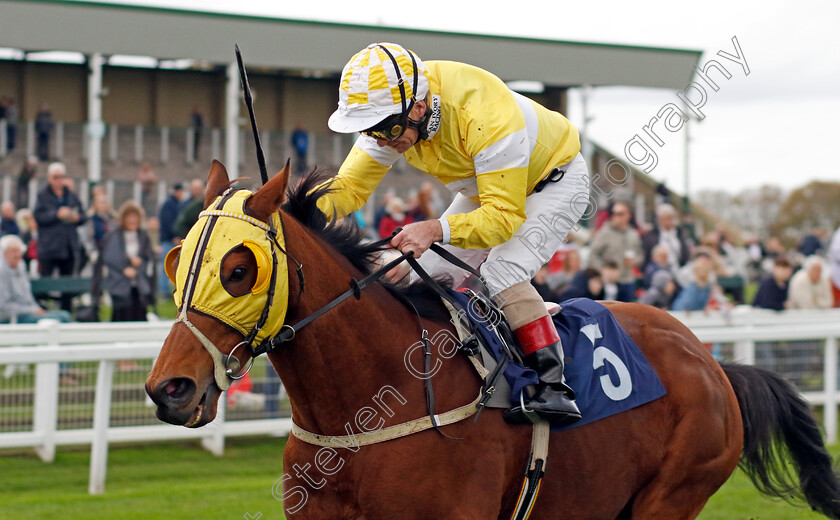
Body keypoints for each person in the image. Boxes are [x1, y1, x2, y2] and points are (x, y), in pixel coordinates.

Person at [320, 42, 588, 425]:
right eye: (370, 131)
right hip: (487, 187)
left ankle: (552, 386)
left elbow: (503, 219)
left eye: (386, 130)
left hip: (554, 183)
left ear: (417, 107)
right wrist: (284, 209)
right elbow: (349, 190)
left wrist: (434, 228)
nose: (380, 140)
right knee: (410, 274)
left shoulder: (482, 112)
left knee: (502, 271)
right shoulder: (391, 112)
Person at [33, 162, 86, 312]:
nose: (59, 180)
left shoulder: (71, 195)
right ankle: (41, 311)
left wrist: (75, 217)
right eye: (55, 177)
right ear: (49, 178)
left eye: (61, 177)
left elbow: (83, 216)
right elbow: (38, 217)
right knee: (44, 282)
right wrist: (57, 214)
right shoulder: (42, 195)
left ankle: (66, 313)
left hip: (68, 247)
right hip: (49, 247)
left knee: (67, 283)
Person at [101, 201, 154, 322]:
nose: (132, 220)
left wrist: (139, 263)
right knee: (121, 314)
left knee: (139, 312)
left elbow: (148, 257)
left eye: (135, 217)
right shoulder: (114, 235)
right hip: (120, 282)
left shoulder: (143, 236)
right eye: (129, 217)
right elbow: (110, 256)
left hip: (139, 283)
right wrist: (125, 267)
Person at [0, 234, 70, 324]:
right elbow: (3, 305)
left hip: (28, 313)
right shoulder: (1, 271)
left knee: (64, 315)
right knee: (60, 319)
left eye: (19, 251)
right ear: (3, 253)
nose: (17, 254)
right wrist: (31, 310)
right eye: (13, 251)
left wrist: (35, 309)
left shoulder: (21, 266)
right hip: (11, 318)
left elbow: (27, 297)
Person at [589, 202, 642, 302]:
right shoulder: (605, 232)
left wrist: (636, 261)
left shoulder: (633, 233)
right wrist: (602, 270)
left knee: (627, 314)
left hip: (628, 280)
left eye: (620, 214)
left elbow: (640, 254)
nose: (616, 217)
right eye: (614, 213)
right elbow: (593, 253)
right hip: (610, 282)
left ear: (628, 216)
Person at [642, 203, 691, 273]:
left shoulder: (679, 234)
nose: (667, 221)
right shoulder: (652, 236)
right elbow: (647, 255)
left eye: (670, 218)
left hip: (677, 270)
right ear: (659, 219)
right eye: (664, 218)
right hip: (659, 271)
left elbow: (684, 254)